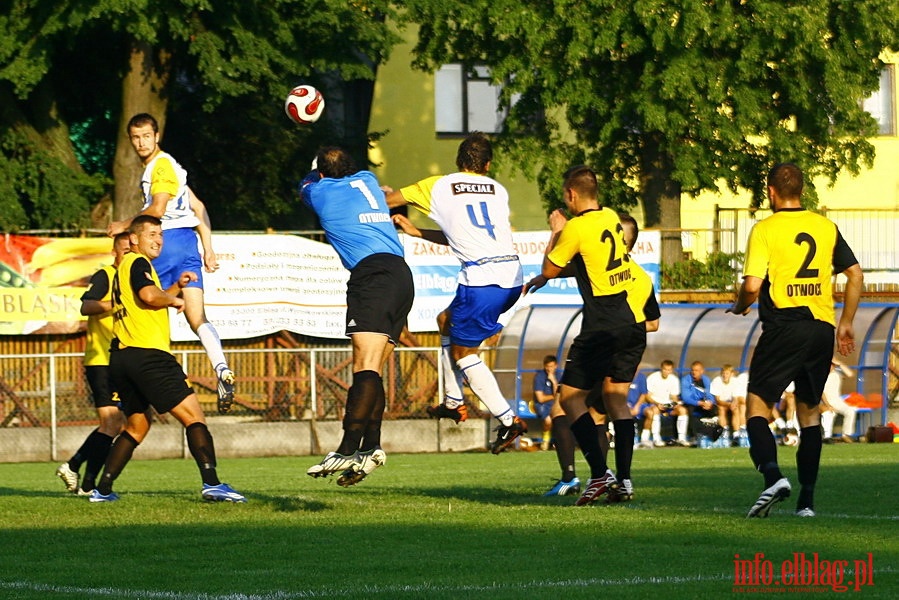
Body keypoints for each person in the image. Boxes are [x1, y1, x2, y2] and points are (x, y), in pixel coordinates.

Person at [728, 162, 862, 518]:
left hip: (785, 325)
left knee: (756, 406)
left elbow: (753, 286)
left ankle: (772, 476)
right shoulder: (825, 227)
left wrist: (740, 305)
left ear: (771, 192)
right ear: (802, 191)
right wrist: (846, 322)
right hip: (821, 328)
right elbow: (855, 274)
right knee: (810, 413)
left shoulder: (765, 229)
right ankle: (807, 503)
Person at [90, 215, 245, 503]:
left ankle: (102, 490)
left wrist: (175, 286)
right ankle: (212, 483)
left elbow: (143, 298)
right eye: (151, 234)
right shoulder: (138, 262)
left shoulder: (124, 268)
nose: (158, 239)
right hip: (149, 355)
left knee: (137, 427)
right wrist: (174, 299)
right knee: (194, 417)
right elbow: (149, 296)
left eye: (160, 234)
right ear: (134, 238)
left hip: (122, 358)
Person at [388, 132, 526, 454]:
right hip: (509, 276)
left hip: (482, 280)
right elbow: (463, 236)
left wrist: (379, 195)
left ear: (457, 162)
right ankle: (452, 399)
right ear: (488, 165)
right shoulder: (498, 191)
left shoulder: (439, 184)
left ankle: (508, 420)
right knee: (445, 319)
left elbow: (388, 201)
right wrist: (417, 232)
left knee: (465, 355)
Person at [524, 166, 651, 506]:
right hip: (630, 322)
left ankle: (598, 474)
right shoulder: (609, 217)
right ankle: (623, 479)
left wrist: (556, 231)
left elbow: (549, 267)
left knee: (568, 398)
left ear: (571, 195)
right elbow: (588, 261)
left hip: (601, 325)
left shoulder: (576, 227)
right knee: (615, 401)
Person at [107, 113, 235, 414]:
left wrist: (124, 225)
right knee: (196, 317)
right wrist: (208, 249)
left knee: (143, 304)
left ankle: (130, 384)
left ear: (157, 135)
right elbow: (199, 206)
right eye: (136, 137)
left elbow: (158, 208)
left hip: (165, 242)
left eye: (146, 136)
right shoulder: (175, 166)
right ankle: (221, 368)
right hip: (189, 243)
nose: (141, 142)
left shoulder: (160, 165)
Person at [302, 147, 414, 486]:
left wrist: (313, 172)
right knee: (374, 369)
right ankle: (372, 447)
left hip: (372, 276)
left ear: (322, 173)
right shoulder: (368, 179)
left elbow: (306, 184)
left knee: (364, 366)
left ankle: (347, 447)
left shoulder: (319, 193)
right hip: (401, 275)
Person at [55, 233, 130, 496]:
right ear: (114, 251)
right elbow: (86, 306)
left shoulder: (136, 278)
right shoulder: (105, 276)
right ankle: (84, 479)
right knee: (111, 423)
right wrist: (116, 302)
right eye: (124, 249)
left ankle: (80, 475)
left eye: (132, 249)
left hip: (123, 361)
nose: (128, 253)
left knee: (116, 424)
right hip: (102, 360)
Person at [645, 360, 688, 446]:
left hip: (668, 406)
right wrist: (658, 404)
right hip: (655, 404)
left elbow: (674, 397)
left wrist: (674, 405)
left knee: (682, 410)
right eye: (665, 369)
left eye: (669, 370)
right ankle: (656, 439)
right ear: (661, 368)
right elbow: (648, 396)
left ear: (672, 370)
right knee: (655, 410)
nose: (666, 372)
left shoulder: (674, 380)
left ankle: (681, 439)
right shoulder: (652, 378)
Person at [820, 358, 858, 443]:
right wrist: (828, 405)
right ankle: (827, 437)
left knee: (851, 410)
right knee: (829, 414)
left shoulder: (837, 373)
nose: (830, 367)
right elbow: (822, 393)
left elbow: (850, 374)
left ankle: (846, 435)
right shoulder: (820, 375)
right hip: (826, 401)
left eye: (832, 364)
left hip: (838, 400)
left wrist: (840, 363)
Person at [680, 361, 717, 447]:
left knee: (715, 409)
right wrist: (699, 403)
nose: (694, 372)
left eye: (696, 370)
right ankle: (693, 436)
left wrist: (709, 402)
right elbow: (686, 398)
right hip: (692, 403)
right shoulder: (685, 380)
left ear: (702, 371)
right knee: (689, 410)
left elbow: (709, 394)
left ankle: (714, 434)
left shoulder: (706, 380)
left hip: (703, 403)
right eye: (692, 370)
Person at [710, 364, 744, 446]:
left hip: (731, 403)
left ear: (731, 374)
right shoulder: (716, 381)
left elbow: (735, 398)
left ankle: (736, 435)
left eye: (727, 373)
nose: (725, 375)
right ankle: (724, 432)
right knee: (721, 409)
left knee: (736, 409)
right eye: (723, 373)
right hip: (721, 404)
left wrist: (733, 404)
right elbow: (717, 400)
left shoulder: (735, 381)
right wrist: (729, 404)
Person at [533, 355, 561, 450]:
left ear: (556, 366)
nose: (550, 369)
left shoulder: (559, 376)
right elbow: (540, 398)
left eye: (552, 366)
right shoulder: (540, 377)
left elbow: (560, 393)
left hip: (555, 403)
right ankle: (546, 439)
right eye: (548, 366)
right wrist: (554, 396)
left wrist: (553, 381)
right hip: (542, 405)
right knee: (548, 420)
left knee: (562, 419)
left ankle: (560, 442)